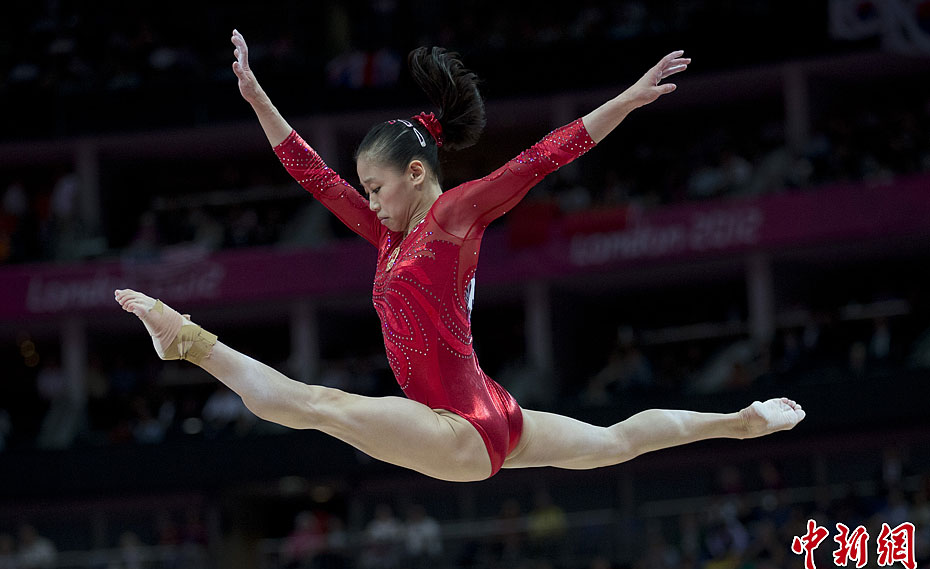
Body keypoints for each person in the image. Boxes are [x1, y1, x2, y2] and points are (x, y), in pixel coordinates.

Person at [114, 30, 805, 483]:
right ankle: (738, 424)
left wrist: (625, 99)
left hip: (457, 428)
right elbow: (314, 175)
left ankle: (189, 341)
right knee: (615, 441)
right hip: (494, 414)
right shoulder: (389, 236)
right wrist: (258, 96)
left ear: (416, 175)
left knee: (318, 404)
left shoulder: (449, 215)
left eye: (379, 187)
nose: (372, 201)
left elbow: (539, 159)